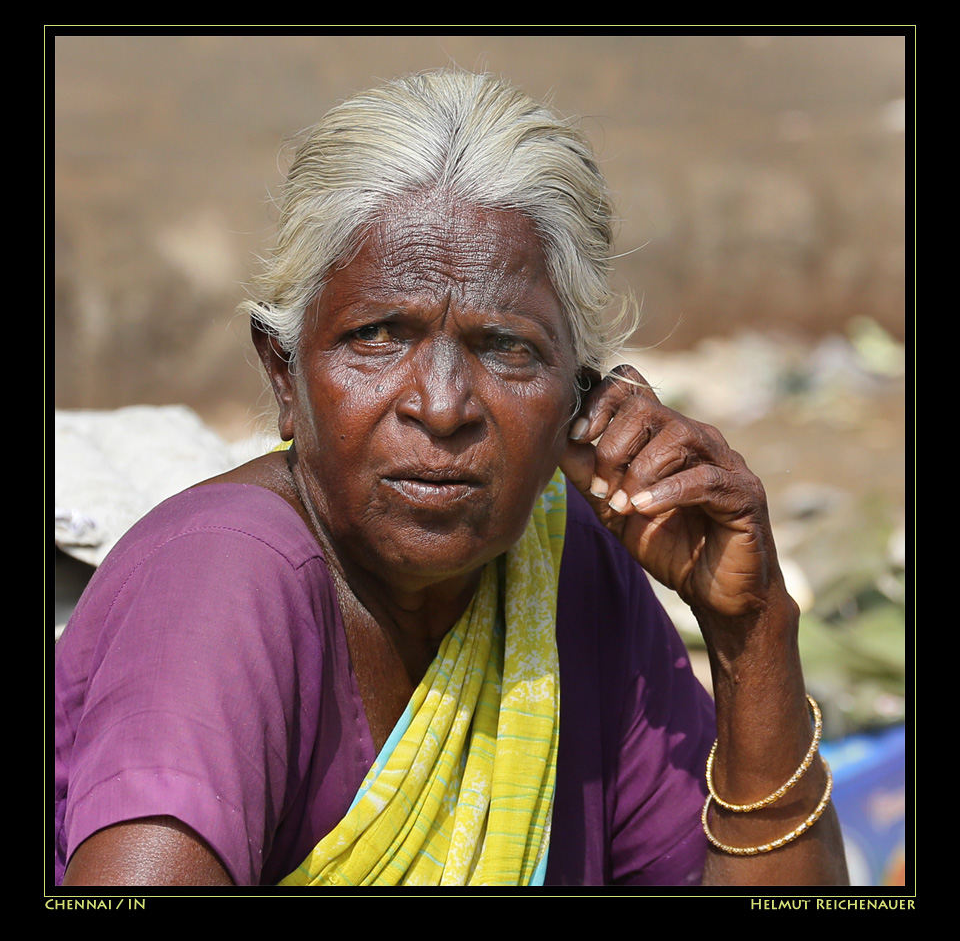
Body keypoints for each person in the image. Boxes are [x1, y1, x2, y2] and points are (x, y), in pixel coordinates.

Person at [55, 70, 848, 887]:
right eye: (377, 335)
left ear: (580, 394)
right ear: (284, 374)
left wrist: (751, 630)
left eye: (507, 347)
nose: (442, 408)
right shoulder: (219, 580)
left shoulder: (565, 566)